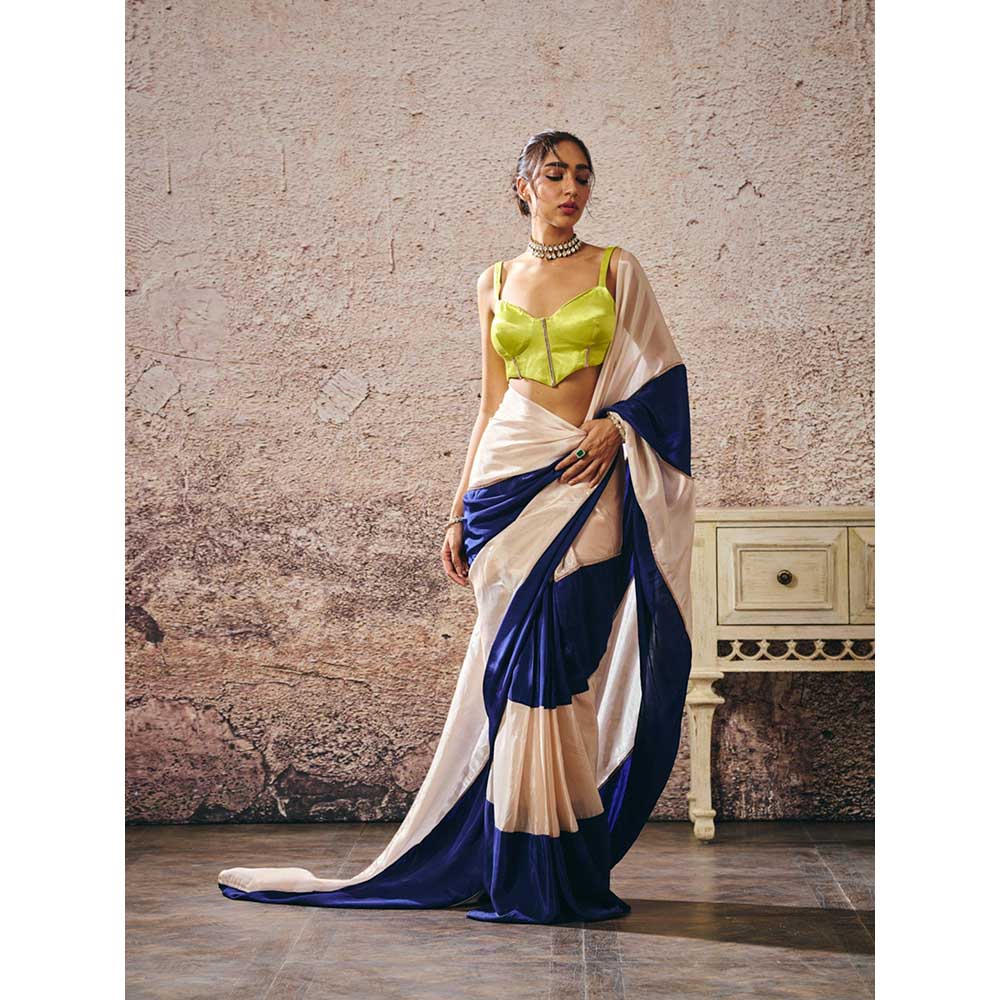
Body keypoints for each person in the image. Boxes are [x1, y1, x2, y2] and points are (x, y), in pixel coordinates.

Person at [217, 129, 695, 925]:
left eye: (582, 176)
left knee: (563, 667)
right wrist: (454, 509)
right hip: (503, 485)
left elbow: (666, 378)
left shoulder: (618, 269)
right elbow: (488, 404)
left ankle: (561, 863)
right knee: (519, 677)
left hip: (586, 483)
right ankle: (527, 868)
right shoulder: (494, 281)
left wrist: (618, 427)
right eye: (554, 174)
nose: (571, 188)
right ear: (522, 186)